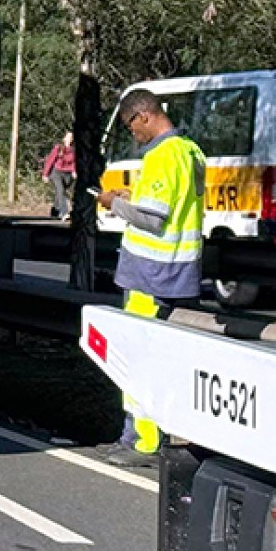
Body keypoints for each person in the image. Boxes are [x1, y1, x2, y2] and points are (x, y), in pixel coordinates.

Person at [97, 88, 207, 465]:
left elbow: (152, 218)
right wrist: (134, 195)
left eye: (132, 126)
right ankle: (136, 435)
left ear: (144, 116)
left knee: (137, 356)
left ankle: (141, 442)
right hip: (175, 268)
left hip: (151, 272)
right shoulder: (188, 151)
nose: (133, 135)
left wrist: (116, 204)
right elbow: (170, 206)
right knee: (153, 355)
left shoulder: (162, 156)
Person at [42, 131, 76, 219]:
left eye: (71, 137)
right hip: (57, 172)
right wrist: (45, 174)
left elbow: (75, 162)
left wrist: (74, 171)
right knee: (61, 190)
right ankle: (64, 212)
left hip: (68, 174)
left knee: (64, 192)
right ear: (64, 139)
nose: (69, 139)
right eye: (68, 137)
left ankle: (55, 210)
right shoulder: (58, 148)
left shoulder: (74, 150)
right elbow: (50, 161)